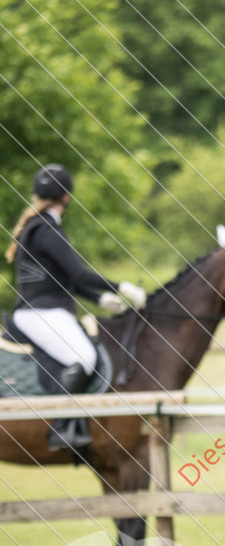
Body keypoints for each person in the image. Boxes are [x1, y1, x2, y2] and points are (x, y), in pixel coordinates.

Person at [5, 163, 146, 451]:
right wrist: (121, 287)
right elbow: (79, 275)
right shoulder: (47, 230)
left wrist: (99, 300)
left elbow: (67, 279)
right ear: (66, 198)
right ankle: (61, 429)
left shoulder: (37, 227)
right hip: (41, 313)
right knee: (83, 358)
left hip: (40, 311)